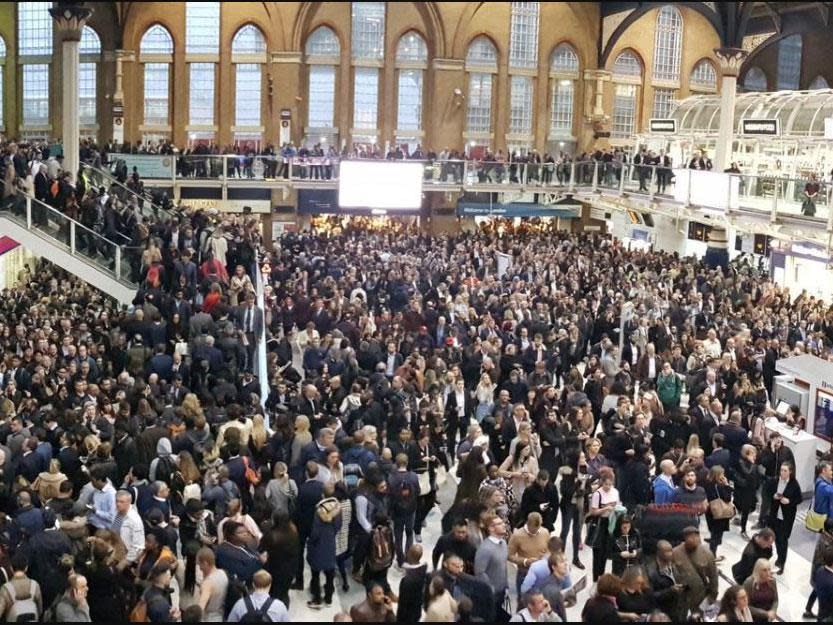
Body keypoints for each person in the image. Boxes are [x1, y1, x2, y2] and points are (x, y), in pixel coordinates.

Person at [764, 461, 801, 574]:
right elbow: (767, 491)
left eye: (785, 470)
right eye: (781, 470)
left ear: (790, 471)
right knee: (770, 537)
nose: (782, 473)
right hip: (774, 516)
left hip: (785, 518)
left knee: (782, 541)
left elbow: (799, 499)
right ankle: (766, 557)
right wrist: (773, 496)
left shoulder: (794, 484)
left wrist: (789, 501)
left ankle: (781, 562)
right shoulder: (775, 480)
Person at [307, 490, 342, 609]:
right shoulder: (338, 508)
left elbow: (315, 532)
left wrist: (311, 540)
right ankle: (328, 598)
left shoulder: (319, 511)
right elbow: (338, 526)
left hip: (318, 545)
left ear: (323, 495)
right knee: (330, 573)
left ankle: (317, 599)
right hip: (330, 542)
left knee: (315, 573)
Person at [672, 526, 718, 616]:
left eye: (696, 536)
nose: (694, 539)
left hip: (699, 597)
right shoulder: (675, 553)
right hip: (681, 598)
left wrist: (704, 607)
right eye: (691, 537)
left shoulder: (707, 554)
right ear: (685, 538)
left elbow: (714, 579)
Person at [474, 513, 510, 621]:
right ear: (491, 528)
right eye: (499, 523)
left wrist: (506, 585)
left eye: (502, 522)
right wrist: (490, 589)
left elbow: (503, 566)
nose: (504, 525)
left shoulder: (503, 543)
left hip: (502, 592)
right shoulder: (485, 549)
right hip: (490, 595)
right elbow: (480, 572)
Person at [587, 467, 620, 581]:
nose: (608, 487)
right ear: (602, 483)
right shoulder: (598, 494)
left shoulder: (615, 492)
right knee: (598, 553)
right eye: (606, 484)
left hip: (611, 522)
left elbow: (617, 505)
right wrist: (605, 509)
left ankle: (603, 576)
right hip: (600, 523)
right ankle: (596, 577)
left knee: (606, 552)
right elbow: (593, 511)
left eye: (610, 484)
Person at [387, 453, 420, 568]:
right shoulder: (414, 476)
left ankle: (400, 559)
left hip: (397, 511)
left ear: (396, 463)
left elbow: (389, 496)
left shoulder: (391, 478)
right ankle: (409, 556)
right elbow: (418, 492)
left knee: (398, 534)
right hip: (411, 509)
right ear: (407, 462)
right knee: (410, 533)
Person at [508, 512, 550, 596]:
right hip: (524, 574)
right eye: (533, 529)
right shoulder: (517, 535)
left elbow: (549, 551)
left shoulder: (545, 532)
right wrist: (525, 561)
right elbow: (509, 555)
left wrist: (545, 557)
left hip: (541, 575)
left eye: (538, 528)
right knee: (523, 603)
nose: (536, 532)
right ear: (527, 523)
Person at [704, 465, 734, 560]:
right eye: (722, 474)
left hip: (710, 512)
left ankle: (712, 543)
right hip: (720, 513)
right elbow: (727, 498)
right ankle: (712, 556)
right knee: (717, 535)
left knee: (714, 532)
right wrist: (727, 486)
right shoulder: (720, 486)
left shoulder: (708, 483)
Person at [195, 547, 228, 621]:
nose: (200, 568)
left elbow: (201, 607)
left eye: (199, 564)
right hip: (221, 615)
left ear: (205, 563)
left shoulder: (208, 583)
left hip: (209, 618)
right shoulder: (223, 573)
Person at [396, 545, 427, 624]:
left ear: (409, 554)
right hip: (417, 610)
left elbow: (403, 602)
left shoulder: (406, 580)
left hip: (406, 616)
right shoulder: (423, 569)